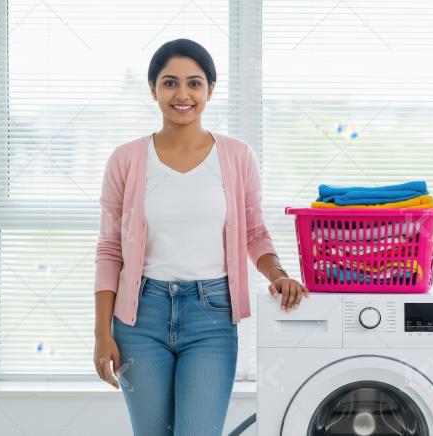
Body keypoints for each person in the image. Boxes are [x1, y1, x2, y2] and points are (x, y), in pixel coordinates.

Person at [92, 38, 308, 436]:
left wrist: (277, 273)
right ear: (153, 88)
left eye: (194, 83)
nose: (182, 94)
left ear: (210, 89)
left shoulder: (237, 156)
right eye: (169, 82)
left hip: (212, 317)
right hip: (140, 319)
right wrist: (101, 332)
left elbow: (255, 232)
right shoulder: (126, 159)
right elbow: (109, 250)